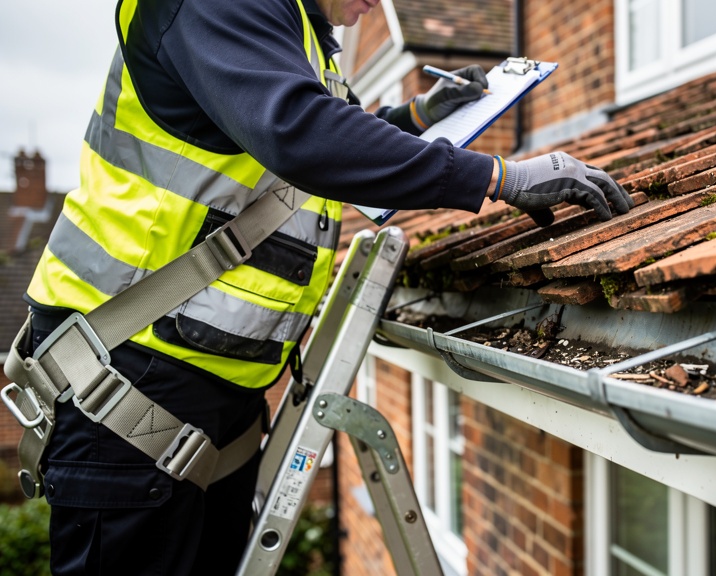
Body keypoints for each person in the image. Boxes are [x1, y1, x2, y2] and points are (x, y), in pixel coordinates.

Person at [12, 0, 632, 574]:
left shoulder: (298, 28)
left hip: (204, 391)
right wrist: (498, 175)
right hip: (127, 376)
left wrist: (416, 117)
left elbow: (310, 145)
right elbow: (303, 137)